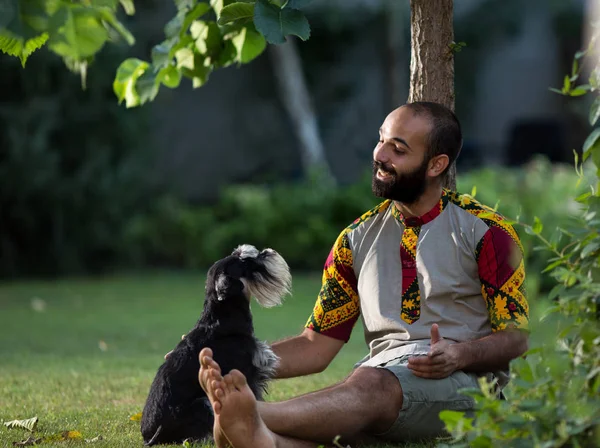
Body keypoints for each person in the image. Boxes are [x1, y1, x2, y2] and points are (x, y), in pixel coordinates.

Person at [196, 102, 530, 448]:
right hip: (382, 387)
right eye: (381, 140)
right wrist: (231, 360)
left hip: (466, 385)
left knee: (368, 386)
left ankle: (252, 416)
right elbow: (316, 346)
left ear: (436, 165)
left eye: (398, 149)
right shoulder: (355, 240)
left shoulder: (487, 232)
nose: (380, 154)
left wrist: (460, 355)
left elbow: (516, 338)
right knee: (354, 396)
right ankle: (263, 439)